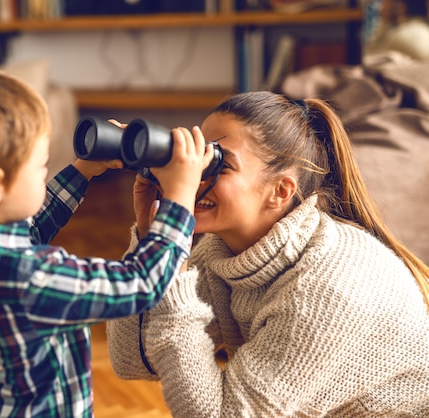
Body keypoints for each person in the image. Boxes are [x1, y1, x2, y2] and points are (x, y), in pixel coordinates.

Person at [0, 62, 215, 417]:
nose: (45, 172)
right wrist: (181, 193)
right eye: (41, 166)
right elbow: (140, 283)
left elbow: (27, 231)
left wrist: (84, 170)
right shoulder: (29, 278)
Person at [107, 91, 429, 417]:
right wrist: (154, 245)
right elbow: (133, 360)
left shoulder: (323, 286)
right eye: (199, 158)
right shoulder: (223, 254)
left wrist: (173, 273)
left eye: (219, 164)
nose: (195, 176)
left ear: (280, 191)